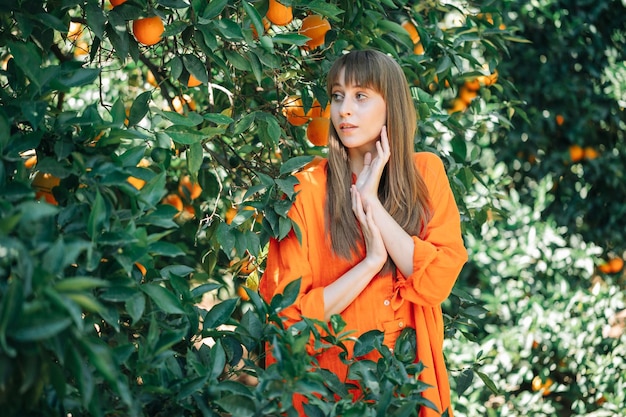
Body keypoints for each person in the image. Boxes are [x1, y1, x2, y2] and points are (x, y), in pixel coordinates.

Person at [260, 49, 468, 417]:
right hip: (330, 389)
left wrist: (371, 200)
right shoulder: (303, 189)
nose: (344, 110)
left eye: (361, 96)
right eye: (337, 96)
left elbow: (436, 282)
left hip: (410, 390)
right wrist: (371, 263)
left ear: (392, 105)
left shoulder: (426, 174)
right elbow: (287, 320)